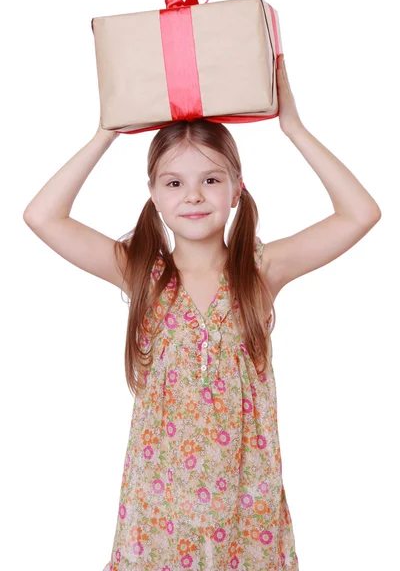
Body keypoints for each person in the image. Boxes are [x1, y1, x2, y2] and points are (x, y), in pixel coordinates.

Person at [23, 53, 381, 570]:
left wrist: (293, 128)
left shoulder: (260, 271)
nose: (193, 195)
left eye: (211, 181)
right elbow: (42, 215)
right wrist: (106, 131)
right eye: (173, 183)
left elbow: (360, 213)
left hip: (245, 514)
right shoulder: (142, 273)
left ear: (237, 189)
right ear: (153, 196)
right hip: (159, 517)